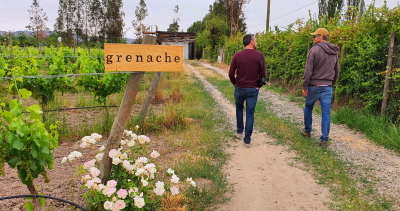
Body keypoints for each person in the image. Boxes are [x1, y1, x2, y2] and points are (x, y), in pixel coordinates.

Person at [301, 28, 340, 148]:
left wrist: (305, 85)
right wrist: (331, 82)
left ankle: (307, 130)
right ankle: (324, 139)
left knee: (308, 108)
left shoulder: (314, 50)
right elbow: (337, 70)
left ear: (321, 37)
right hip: (327, 86)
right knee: (326, 113)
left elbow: (308, 70)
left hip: (314, 85)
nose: (313, 38)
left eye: (315, 36)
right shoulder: (334, 51)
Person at [229, 34, 266, 148]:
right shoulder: (260, 55)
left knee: (239, 108)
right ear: (251, 42)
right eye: (255, 40)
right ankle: (247, 140)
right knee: (250, 113)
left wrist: (235, 83)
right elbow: (263, 74)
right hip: (252, 89)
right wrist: (258, 86)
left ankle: (239, 131)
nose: (256, 43)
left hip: (239, 88)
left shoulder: (237, 55)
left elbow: (231, 73)